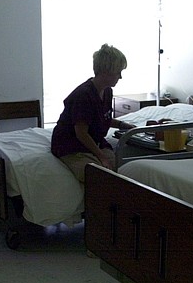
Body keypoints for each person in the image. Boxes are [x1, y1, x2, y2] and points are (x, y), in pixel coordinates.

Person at [51, 44, 135, 182]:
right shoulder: (84, 95)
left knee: (117, 170)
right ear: (105, 72)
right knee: (95, 175)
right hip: (71, 145)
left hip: (94, 141)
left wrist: (124, 125)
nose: (120, 77)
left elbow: (103, 117)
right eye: (118, 72)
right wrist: (101, 157)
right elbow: (81, 133)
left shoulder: (107, 91)